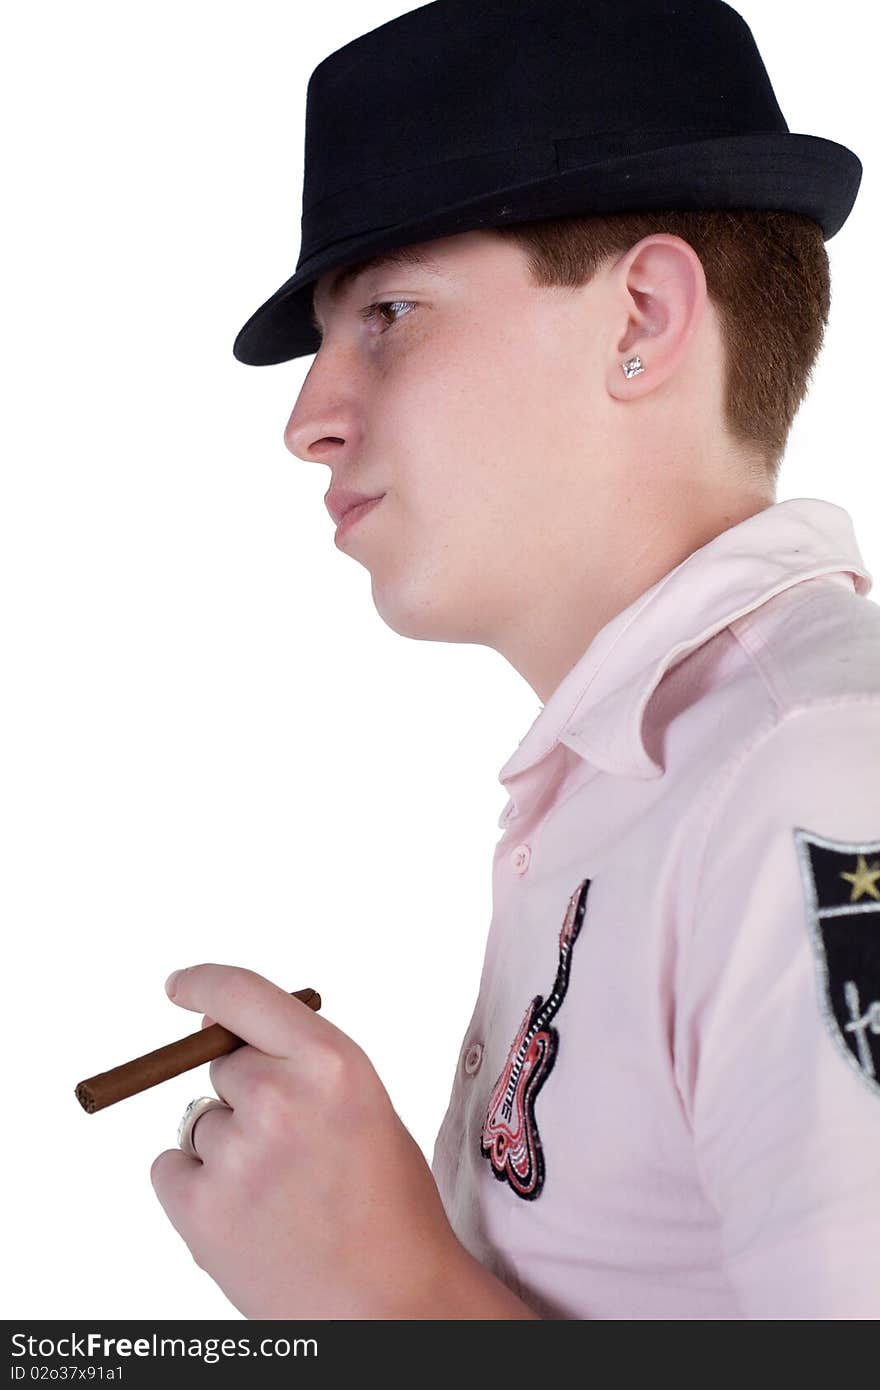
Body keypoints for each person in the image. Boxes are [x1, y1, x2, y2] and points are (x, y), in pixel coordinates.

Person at [150, 0, 880, 1318]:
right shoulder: (644, 777)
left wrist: (386, 1291)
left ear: (642, 316)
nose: (309, 419)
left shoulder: (820, 774)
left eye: (385, 312)